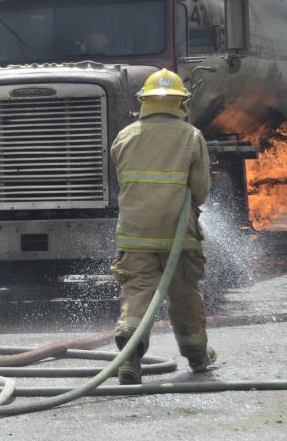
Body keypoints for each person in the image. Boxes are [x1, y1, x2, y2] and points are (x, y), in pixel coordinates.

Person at [110, 68, 216, 385]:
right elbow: (200, 190)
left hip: (135, 235)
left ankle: (130, 352)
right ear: (180, 103)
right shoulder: (191, 136)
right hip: (179, 237)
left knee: (137, 293)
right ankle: (197, 355)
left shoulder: (125, 136)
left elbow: (123, 183)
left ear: (145, 102)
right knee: (184, 297)